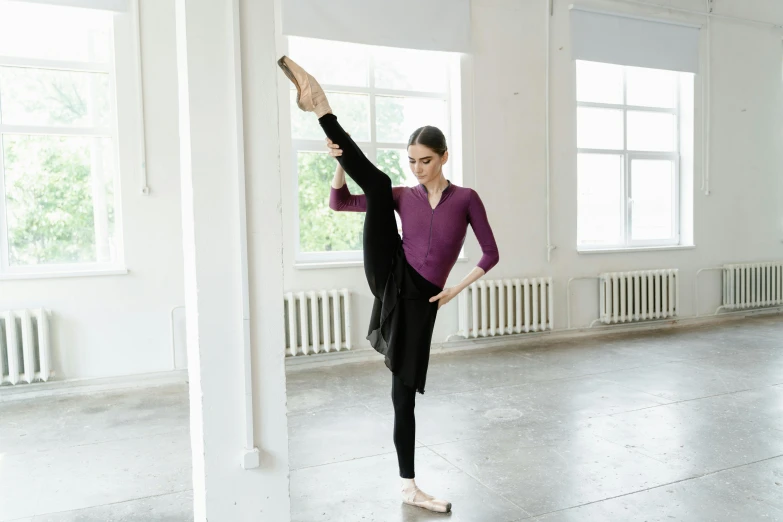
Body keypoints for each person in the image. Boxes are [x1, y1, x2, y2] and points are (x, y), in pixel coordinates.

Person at [278, 55, 499, 514]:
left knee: (403, 395)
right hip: (390, 270)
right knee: (378, 183)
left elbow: (490, 254)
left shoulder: (466, 199)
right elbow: (340, 202)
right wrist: (338, 164)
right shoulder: (401, 195)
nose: (417, 169)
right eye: (413, 161)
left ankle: (409, 486)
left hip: (424, 299)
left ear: (443, 157)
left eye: (425, 161)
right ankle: (321, 106)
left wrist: (456, 289)